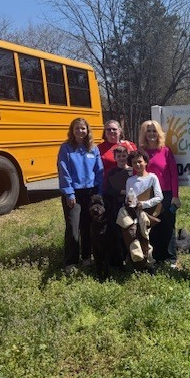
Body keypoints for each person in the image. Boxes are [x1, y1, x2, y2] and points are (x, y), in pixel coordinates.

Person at [57, 117, 104, 276]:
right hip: (73, 194)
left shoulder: (93, 149)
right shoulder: (66, 148)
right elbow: (64, 172)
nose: (80, 131)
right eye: (77, 128)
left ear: (87, 130)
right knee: (73, 227)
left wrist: (99, 193)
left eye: (83, 128)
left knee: (88, 226)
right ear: (72, 131)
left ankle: (86, 257)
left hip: (90, 193)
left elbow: (99, 172)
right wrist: (69, 193)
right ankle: (70, 262)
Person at [139, 120, 180, 268]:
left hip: (167, 193)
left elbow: (174, 174)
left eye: (154, 131)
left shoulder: (166, 150)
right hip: (149, 195)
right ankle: (157, 257)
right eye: (148, 131)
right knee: (153, 226)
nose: (151, 134)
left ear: (158, 133)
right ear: (144, 134)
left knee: (169, 225)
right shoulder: (142, 152)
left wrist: (175, 195)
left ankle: (170, 259)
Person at [122, 149, 163, 271]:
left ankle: (149, 262)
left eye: (140, 161)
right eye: (134, 163)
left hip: (148, 213)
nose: (137, 165)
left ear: (146, 162)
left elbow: (159, 197)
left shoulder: (152, 178)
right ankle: (136, 262)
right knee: (132, 235)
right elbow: (128, 197)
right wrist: (128, 202)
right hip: (133, 213)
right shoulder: (130, 180)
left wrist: (144, 204)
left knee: (145, 236)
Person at [104, 145, 132, 264]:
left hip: (130, 207)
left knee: (130, 230)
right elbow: (107, 190)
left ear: (127, 156)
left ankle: (130, 255)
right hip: (116, 206)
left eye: (124, 156)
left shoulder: (132, 171)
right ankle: (120, 257)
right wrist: (121, 192)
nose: (121, 158)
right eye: (119, 156)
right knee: (118, 232)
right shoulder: (111, 173)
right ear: (115, 158)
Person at [98, 120, 136, 188]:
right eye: (108, 129)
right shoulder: (99, 148)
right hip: (109, 185)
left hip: (130, 183)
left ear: (119, 131)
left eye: (114, 129)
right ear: (105, 132)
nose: (111, 131)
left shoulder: (130, 145)